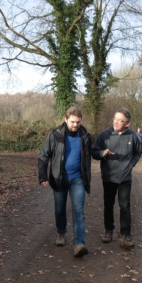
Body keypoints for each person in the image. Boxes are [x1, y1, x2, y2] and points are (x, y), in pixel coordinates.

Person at [38, 106, 92, 258]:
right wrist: (43, 176)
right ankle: (61, 233)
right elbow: (43, 156)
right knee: (59, 209)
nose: (75, 125)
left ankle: (79, 243)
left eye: (78, 122)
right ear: (65, 119)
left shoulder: (85, 136)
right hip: (59, 178)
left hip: (78, 179)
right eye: (73, 122)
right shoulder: (55, 134)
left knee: (78, 210)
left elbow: (89, 155)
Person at [92, 108, 142, 249]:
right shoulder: (104, 135)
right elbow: (94, 152)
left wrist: (131, 164)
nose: (116, 122)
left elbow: (138, 152)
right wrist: (102, 153)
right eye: (115, 119)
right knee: (108, 204)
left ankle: (125, 234)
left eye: (120, 120)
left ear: (127, 123)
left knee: (124, 206)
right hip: (108, 176)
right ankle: (109, 230)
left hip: (125, 177)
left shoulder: (133, 136)